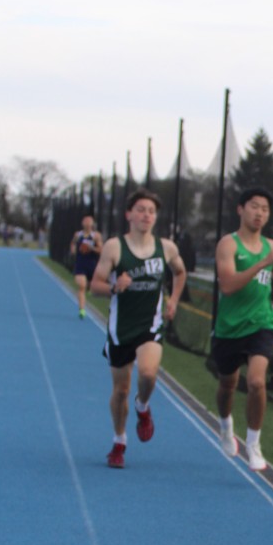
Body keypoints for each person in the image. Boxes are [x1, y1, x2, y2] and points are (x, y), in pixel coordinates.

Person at [90, 190, 186, 468]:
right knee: (120, 390)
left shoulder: (166, 248)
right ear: (129, 215)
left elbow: (180, 272)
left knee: (147, 373)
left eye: (151, 211)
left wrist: (173, 300)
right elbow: (95, 285)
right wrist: (114, 287)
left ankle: (142, 406)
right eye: (141, 210)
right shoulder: (114, 247)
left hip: (150, 325)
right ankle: (119, 441)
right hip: (121, 328)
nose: (146, 215)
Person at [212, 187, 273, 472]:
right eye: (254, 206)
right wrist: (262, 264)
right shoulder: (228, 245)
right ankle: (225, 425)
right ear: (241, 209)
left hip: (262, 324)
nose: (259, 213)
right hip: (230, 327)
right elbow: (228, 286)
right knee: (227, 385)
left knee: (257, 382)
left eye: (265, 209)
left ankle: (253, 443)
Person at [67, 214, 103, 319]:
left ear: (92, 223)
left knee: (91, 287)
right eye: (85, 221)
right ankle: (82, 310)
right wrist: (73, 250)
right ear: (82, 223)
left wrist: (91, 248)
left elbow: (101, 250)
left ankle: (89, 288)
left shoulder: (96, 236)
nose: (87, 223)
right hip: (80, 264)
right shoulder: (78, 235)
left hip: (92, 264)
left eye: (89, 221)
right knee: (82, 286)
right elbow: (73, 243)